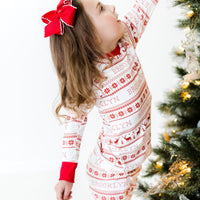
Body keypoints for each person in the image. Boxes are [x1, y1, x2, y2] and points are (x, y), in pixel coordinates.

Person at [41, 0, 159, 199]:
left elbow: (143, 6)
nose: (112, 7)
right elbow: (74, 126)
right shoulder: (91, 76)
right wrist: (66, 175)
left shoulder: (126, 39)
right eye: (101, 9)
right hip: (111, 174)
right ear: (89, 39)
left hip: (132, 165)